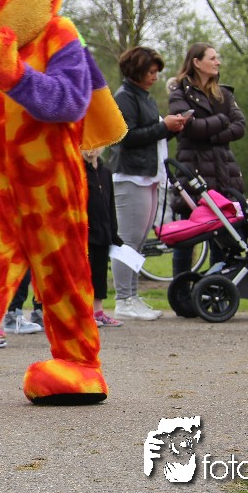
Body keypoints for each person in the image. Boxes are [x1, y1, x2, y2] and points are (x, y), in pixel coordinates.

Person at [110, 46, 188, 321]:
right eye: (151, 72)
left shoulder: (144, 97)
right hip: (131, 176)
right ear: (137, 71)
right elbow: (127, 136)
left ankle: (132, 295)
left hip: (148, 175)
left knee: (139, 240)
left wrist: (171, 129)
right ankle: (123, 298)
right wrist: (164, 127)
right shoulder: (124, 97)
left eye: (156, 72)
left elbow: (151, 136)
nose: (155, 76)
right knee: (128, 240)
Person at [166, 43, 246, 278]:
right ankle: (181, 289)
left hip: (223, 172)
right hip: (193, 172)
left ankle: (215, 288)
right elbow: (190, 128)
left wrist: (211, 135)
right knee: (187, 237)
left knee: (221, 237)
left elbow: (240, 126)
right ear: (197, 62)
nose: (218, 62)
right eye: (212, 58)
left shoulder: (224, 94)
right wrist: (222, 120)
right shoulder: (179, 94)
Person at [83, 148, 123, 327]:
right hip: (86, 233)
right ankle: (84, 312)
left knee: (100, 273)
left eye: (95, 145)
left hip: (103, 231)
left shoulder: (105, 173)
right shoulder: (78, 172)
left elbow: (110, 204)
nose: (91, 150)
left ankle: (98, 311)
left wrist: (113, 232)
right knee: (85, 274)